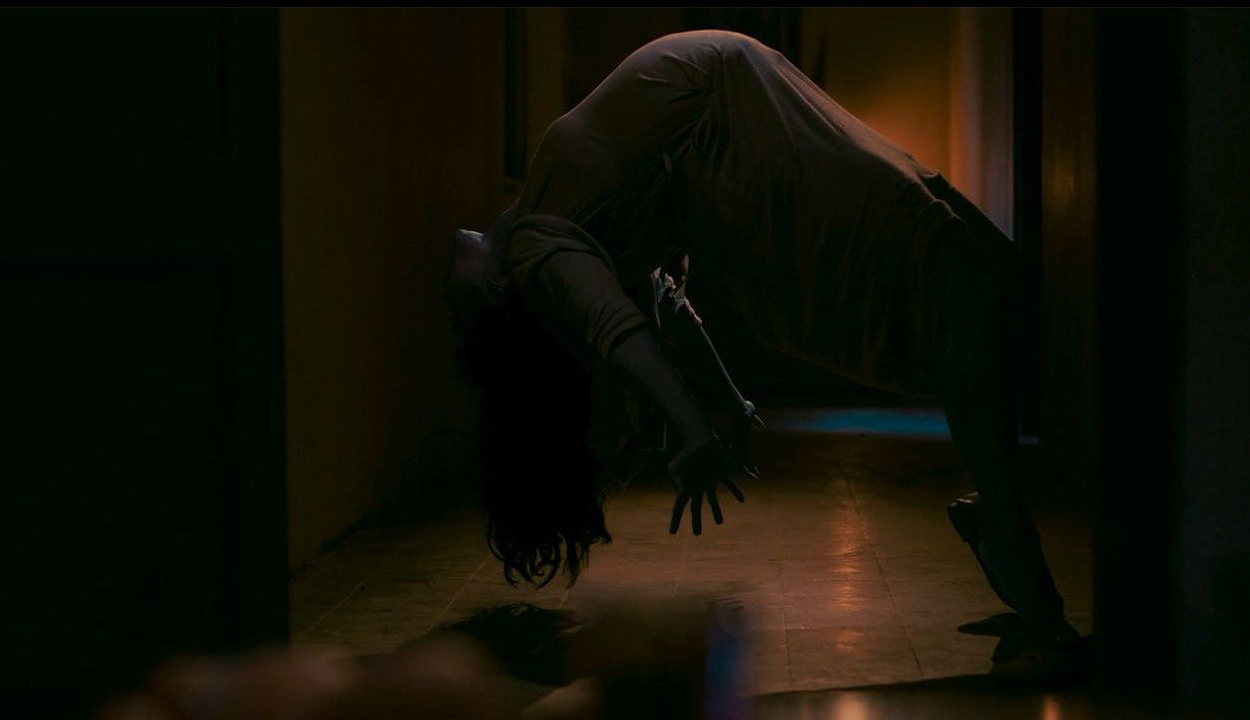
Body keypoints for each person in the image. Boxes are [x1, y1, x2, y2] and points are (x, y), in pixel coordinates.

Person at [445, 29, 1081, 673]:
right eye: (457, 290)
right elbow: (643, 319)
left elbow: (639, 318)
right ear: (497, 297)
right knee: (961, 268)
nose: (459, 241)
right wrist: (713, 414)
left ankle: (1006, 533)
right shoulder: (542, 244)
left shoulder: (541, 226)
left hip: (728, 105)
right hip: (729, 113)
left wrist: (709, 418)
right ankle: (1016, 550)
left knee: (960, 270)